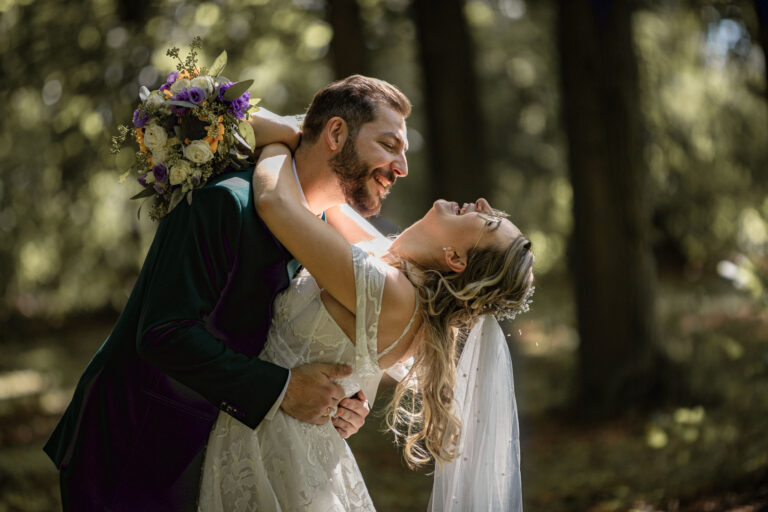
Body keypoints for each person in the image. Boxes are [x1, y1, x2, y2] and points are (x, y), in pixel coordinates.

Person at [43, 75, 411, 511]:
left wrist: (342, 400)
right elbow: (164, 332)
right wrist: (285, 390)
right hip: (137, 452)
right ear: (335, 133)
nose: (402, 167)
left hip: (222, 459)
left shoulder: (326, 236)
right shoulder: (224, 200)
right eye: (390, 146)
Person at [195, 142, 534, 511]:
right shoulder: (397, 277)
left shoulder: (391, 292)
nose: (482, 203)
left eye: (488, 222)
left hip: (272, 446)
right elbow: (331, 206)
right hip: (291, 443)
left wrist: (281, 140)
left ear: (454, 258)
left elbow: (275, 202)